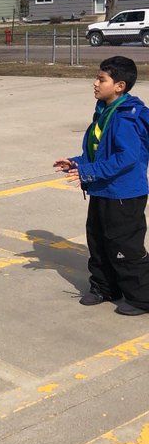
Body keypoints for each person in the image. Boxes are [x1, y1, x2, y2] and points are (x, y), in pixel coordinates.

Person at [53, 56, 149, 314]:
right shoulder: (105, 111)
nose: (95, 83)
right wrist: (76, 163)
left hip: (124, 194)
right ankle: (105, 287)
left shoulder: (126, 117)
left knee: (125, 246)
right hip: (103, 190)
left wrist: (89, 171)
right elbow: (100, 153)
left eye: (101, 79)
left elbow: (126, 158)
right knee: (98, 241)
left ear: (119, 86)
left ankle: (141, 298)